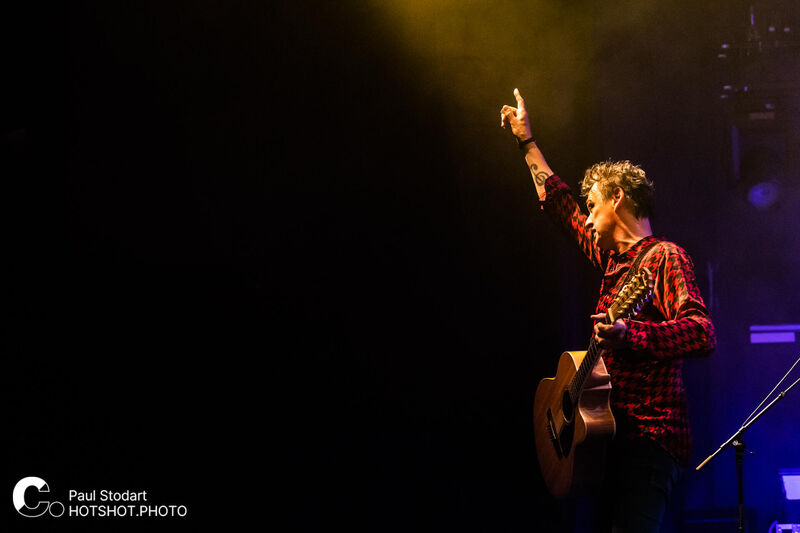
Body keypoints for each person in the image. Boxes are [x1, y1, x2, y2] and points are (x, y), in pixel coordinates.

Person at [500, 89, 716, 532]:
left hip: (649, 441)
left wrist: (631, 336)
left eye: (593, 206)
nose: (586, 217)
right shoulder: (613, 261)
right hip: (607, 445)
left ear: (617, 198)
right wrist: (526, 140)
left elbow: (701, 332)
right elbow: (559, 206)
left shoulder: (665, 257)